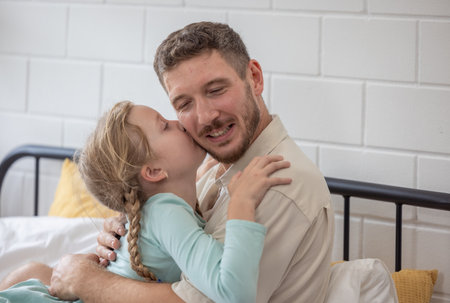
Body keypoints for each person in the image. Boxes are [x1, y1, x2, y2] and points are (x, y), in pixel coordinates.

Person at [49, 22, 335, 303]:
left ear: (255, 78)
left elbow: (215, 296)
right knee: (30, 274)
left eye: (216, 90)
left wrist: (86, 280)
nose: (205, 117)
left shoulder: (278, 183)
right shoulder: (211, 173)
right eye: (184, 104)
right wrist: (128, 237)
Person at [0, 101, 292, 303]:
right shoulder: (167, 211)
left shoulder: (165, 206)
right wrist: (241, 204)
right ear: (153, 172)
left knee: (33, 272)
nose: (180, 123)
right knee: (33, 272)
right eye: (165, 125)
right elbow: (233, 294)